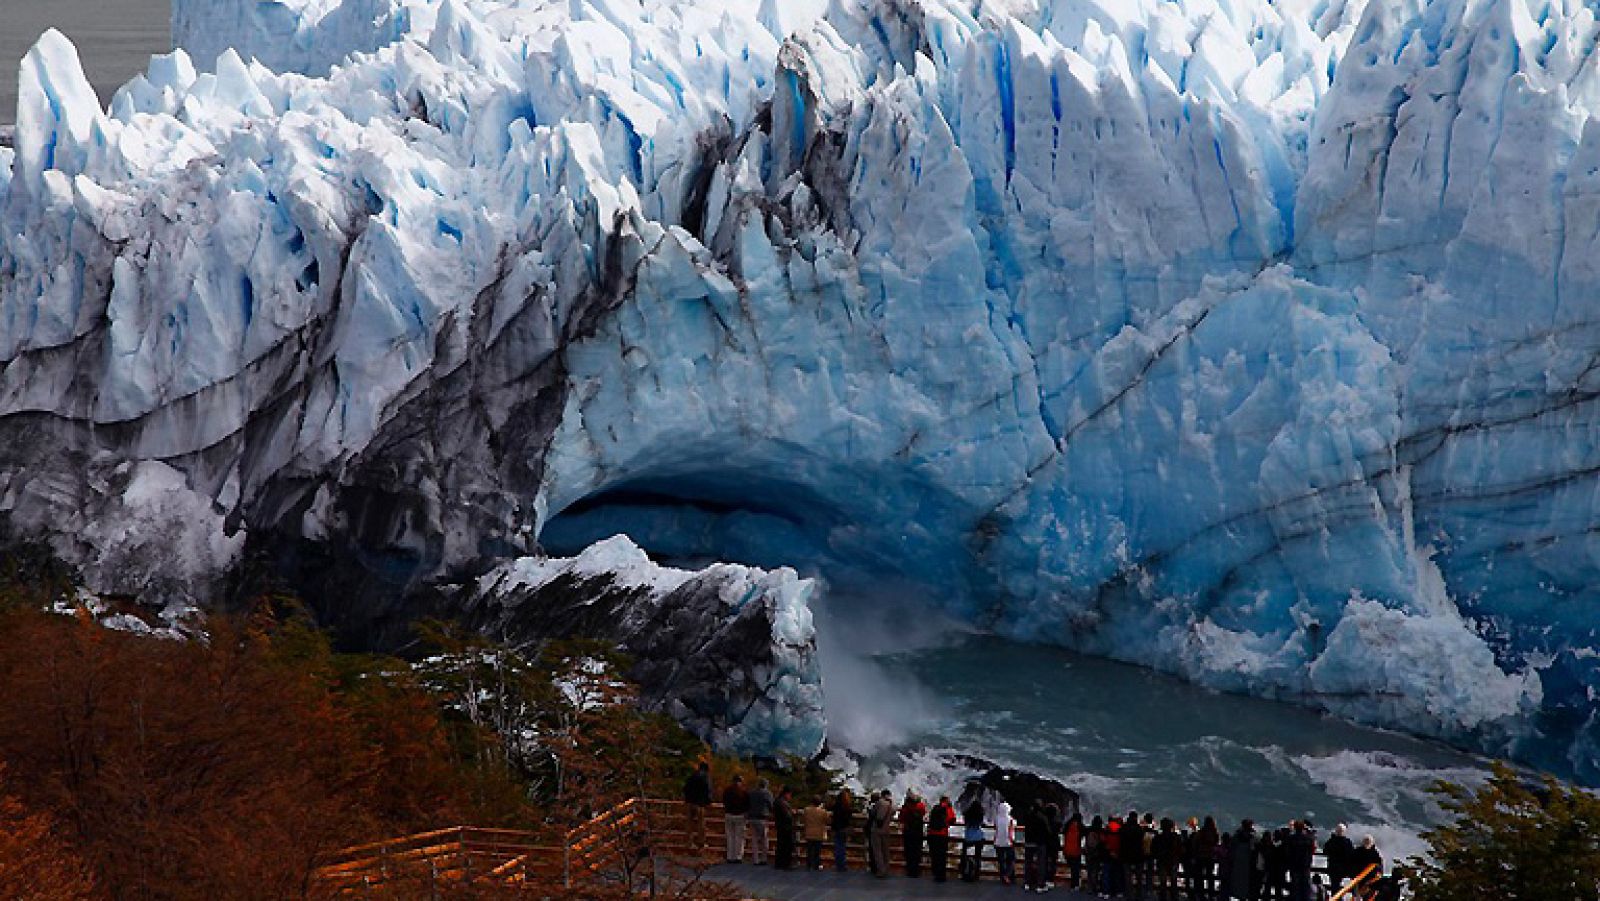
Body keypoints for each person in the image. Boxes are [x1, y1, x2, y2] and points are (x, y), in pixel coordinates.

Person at [681, 762, 712, 853]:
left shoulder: (692, 777)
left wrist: (687, 799)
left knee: (689, 824)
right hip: (700, 804)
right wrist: (708, 802)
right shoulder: (705, 777)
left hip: (690, 803)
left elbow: (685, 789)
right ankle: (701, 843)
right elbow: (708, 790)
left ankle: (689, 843)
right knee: (701, 824)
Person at [1152, 817, 1182, 901]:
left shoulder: (1158, 837)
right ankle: (1174, 897)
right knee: (1174, 881)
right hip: (1173, 861)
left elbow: (1153, 850)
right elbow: (1180, 849)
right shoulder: (1176, 837)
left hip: (1162, 861)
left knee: (1163, 882)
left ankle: (1163, 897)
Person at [928, 794, 956, 883]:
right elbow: (952, 820)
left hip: (932, 834)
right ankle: (941, 875)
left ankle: (935, 873)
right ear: (946, 801)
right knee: (942, 855)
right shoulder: (947, 808)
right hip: (942, 834)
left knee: (934, 855)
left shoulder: (935, 808)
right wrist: (950, 808)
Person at [899, 791, 927, 878]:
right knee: (917, 851)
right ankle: (916, 870)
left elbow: (901, 818)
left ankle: (910, 870)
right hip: (918, 831)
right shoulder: (920, 806)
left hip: (908, 831)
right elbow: (924, 812)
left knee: (909, 851)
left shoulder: (905, 808)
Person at [1225, 820, 1255, 901]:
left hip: (1238, 862)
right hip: (1246, 862)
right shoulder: (1251, 837)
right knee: (1244, 882)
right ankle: (1243, 896)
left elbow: (1231, 848)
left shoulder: (1237, 836)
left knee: (1238, 881)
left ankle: (1238, 895)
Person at [1285, 821, 1316, 901]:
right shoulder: (1309, 838)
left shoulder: (1290, 838)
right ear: (1303, 828)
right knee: (1305, 885)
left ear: (1295, 828)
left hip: (1294, 865)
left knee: (1295, 886)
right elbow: (1313, 850)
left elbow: (1287, 852)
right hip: (1305, 865)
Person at [746, 778, 773, 865]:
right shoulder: (767, 793)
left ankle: (755, 859)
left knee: (754, 839)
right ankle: (763, 859)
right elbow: (771, 805)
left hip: (752, 817)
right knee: (764, 838)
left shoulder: (751, 793)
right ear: (766, 785)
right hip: (762, 818)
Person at [722, 776, 749, 863]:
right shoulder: (744, 792)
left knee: (730, 837)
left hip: (729, 814)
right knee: (739, 837)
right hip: (740, 816)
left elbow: (724, 801)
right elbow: (747, 804)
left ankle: (730, 856)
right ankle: (738, 856)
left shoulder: (727, 791)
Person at [1322, 824, 1355, 894]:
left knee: (1334, 887)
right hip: (1344, 868)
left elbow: (1325, 851)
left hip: (1333, 867)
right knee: (1343, 887)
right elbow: (1351, 854)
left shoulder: (1331, 841)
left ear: (1336, 831)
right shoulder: (1347, 842)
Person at [868, 789, 894, 877]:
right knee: (885, 850)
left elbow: (877, 816)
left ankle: (881, 870)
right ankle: (886, 868)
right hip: (886, 829)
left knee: (877, 850)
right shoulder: (891, 804)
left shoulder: (880, 803)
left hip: (877, 829)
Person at [1124, 810, 1147, 900]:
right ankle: (1139, 894)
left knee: (1128, 877)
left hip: (1126, 855)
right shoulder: (1140, 829)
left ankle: (1129, 895)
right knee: (1139, 877)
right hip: (1138, 855)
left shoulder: (1124, 828)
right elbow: (1143, 841)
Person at [802, 796, 829, 871]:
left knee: (809, 851)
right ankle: (816, 865)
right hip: (819, 834)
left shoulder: (806, 810)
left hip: (809, 833)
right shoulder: (823, 811)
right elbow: (827, 820)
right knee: (817, 852)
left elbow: (803, 818)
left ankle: (809, 865)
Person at [830, 789, 854, 872]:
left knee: (837, 847)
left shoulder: (836, 806)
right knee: (843, 847)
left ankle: (838, 864)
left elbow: (834, 818)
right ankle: (842, 865)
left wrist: (832, 828)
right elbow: (849, 819)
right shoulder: (847, 807)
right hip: (844, 829)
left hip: (837, 828)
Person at [994, 799, 1017, 885]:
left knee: (1001, 861)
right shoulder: (1010, 819)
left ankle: (1003, 876)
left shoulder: (996, 818)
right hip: (1008, 842)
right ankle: (1008, 875)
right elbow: (1014, 825)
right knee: (1011, 860)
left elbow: (995, 827)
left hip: (998, 841)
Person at [773, 786, 796, 870]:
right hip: (786, 827)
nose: (790, 797)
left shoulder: (777, 801)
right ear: (786, 794)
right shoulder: (782, 803)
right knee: (787, 846)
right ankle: (786, 864)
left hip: (780, 826)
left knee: (780, 845)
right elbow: (787, 816)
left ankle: (779, 863)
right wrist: (792, 812)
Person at [1062, 811, 1084, 890]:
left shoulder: (1067, 825)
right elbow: (1084, 832)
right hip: (1076, 850)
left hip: (1067, 850)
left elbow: (1063, 832)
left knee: (1072, 868)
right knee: (1076, 868)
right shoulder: (1080, 826)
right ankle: (1076, 884)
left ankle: (1072, 884)